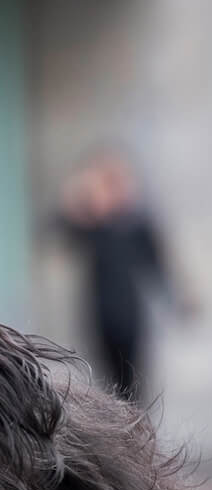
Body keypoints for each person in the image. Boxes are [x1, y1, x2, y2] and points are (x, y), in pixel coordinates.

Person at [57, 148, 187, 402]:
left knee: (133, 386)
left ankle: (136, 436)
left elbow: (157, 264)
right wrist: (80, 198)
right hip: (98, 314)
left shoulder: (138, 220)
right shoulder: (91, 222)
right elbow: (59, 230)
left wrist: (176, 298)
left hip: (131, 317)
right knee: (107, 386)